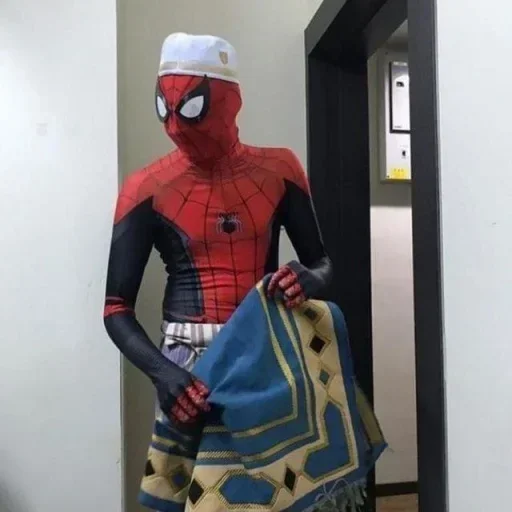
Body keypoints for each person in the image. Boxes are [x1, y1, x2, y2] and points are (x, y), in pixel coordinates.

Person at [103, 32, 332, 436]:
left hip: (264, 344)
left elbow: (322, 264)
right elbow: (115, 309)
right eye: (164, 109)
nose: (176, 127)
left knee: (274, 469)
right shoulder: (145, 187)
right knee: (190, 475)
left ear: (231, 100)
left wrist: (308, 279)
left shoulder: (280, 170)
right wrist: (163, 372)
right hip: (185, 364)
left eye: (191, 109)